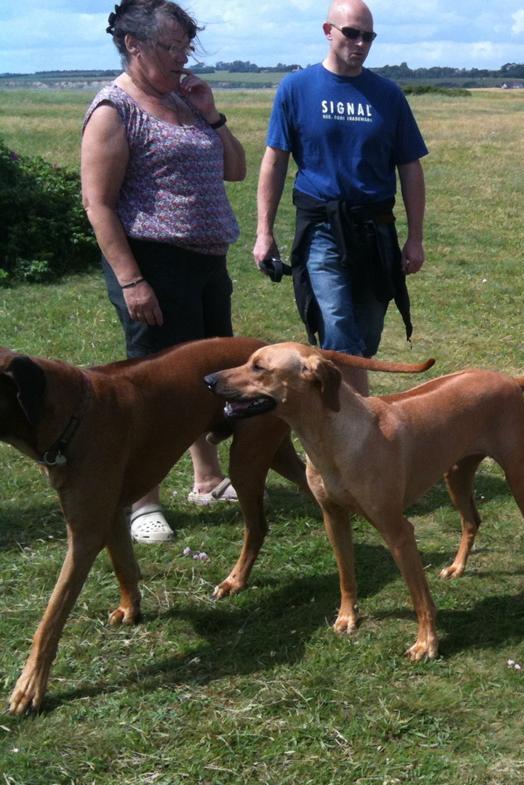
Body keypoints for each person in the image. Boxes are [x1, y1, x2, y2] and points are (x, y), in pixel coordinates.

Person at [81, 0, 247, 543]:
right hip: (152, 262)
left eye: (185, 47)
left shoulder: (185, 100)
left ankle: (206, 478)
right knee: (150, 388)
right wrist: (132, 280)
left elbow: (236, 169)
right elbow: (98, 203)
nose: (182, 58)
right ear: (134, 44)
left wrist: (211, 112)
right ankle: (140, 503)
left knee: (205, 378)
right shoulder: (114, 108)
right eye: (170, 47)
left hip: (206, 261)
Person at [253, 0, 428, 396]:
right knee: (337, 323)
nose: (361, 42)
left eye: (369, 36)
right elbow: (275, 161)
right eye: (352, 32)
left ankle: (343, 406)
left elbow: (410, 168)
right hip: (321, 227)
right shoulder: (296, 89)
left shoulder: (388, 95)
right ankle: (353, 420)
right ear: (327, 31)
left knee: (368, 329)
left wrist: (415, 237)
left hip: (375, 226)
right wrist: (264, 232)